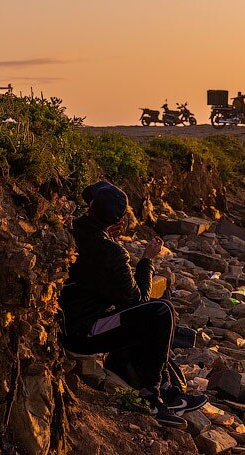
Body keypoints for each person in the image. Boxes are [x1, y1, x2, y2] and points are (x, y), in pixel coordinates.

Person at [59, 181, 207, 428]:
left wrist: (106, 232)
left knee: (147, 317)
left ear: (90, 208)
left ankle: (169, 392)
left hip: (70, 323)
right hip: (81, 333)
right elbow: (139, 300)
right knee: (161, 311)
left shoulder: (72, 230)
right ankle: (152, 394)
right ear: (118, 222)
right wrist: (147, 261)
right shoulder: (110, 252)